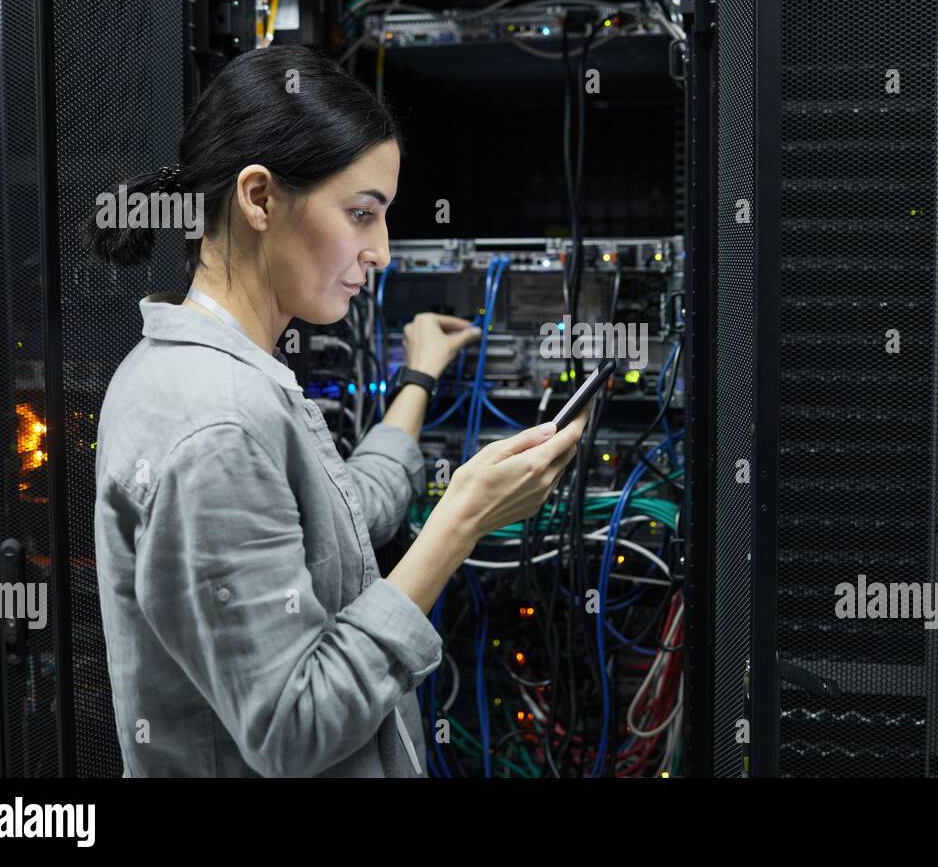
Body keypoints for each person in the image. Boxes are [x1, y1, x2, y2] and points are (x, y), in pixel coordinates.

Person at [86, 44, 587, 777]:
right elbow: (295, 726)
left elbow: (350, 511)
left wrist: (418, 375)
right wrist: (461, 522)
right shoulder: (214, 421)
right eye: (362, 214)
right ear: (259, 198)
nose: (381, 251)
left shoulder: (223, 376)